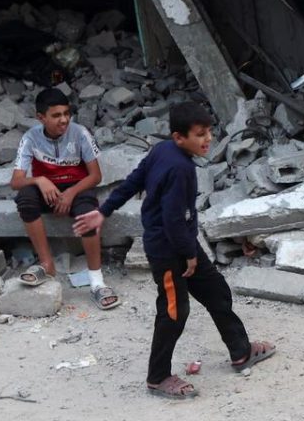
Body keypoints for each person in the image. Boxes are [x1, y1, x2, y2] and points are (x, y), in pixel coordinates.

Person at [73, 101, 276, 399]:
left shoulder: (163, 150)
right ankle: (157, 377)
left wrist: (104, 211)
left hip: (182, 242)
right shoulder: (181, 168)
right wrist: (189, 255)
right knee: (173, 311)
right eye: (200, 134)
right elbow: (171, 218)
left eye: (208, 132)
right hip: (168, 250)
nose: (208, 139)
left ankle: (241, 351)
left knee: (216, 291)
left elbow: (134, 181)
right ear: (179, 137)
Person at [10, 87, 119, 310]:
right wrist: (39, 180)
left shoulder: (80, 133)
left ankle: (97, 282)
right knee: (25, 198)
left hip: (78, 188)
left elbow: (95, 176)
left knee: (88, 214)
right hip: (48, 191)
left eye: (67, 113)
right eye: (56, 115)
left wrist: (70, 193)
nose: (64, 120)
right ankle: (46, 264)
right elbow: (16, 181)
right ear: (41, 117)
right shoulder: (30, 138)